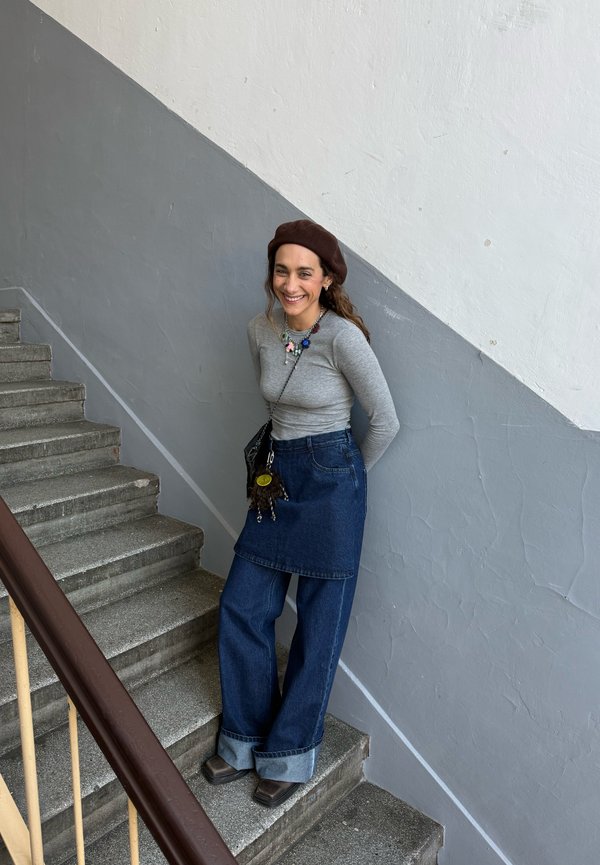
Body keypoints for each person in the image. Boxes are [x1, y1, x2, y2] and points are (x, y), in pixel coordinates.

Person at [202, 219, 399, 808]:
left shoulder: (343, 338)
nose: (291, 283)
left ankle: (289, 754)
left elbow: (385, 421)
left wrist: (342, 479)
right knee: (243, 605)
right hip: (276, 478)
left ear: (326, 279)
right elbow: (277, 401)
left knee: (319, 627)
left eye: (304, 273)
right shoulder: (259, 331)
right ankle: (242, 739)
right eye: (282, 271)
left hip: (331, 481)